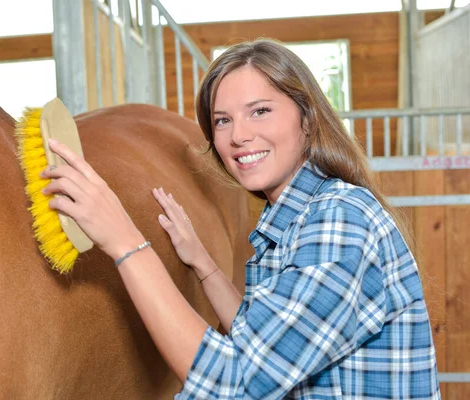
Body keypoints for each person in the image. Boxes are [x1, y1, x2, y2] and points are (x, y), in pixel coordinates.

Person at [40, 38, 441, 399]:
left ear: (307, 118)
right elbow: (260, 337)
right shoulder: (293, 217)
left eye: (260, 111)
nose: (238, 136)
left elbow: (235, 382)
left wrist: (126, 242)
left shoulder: (338, 222)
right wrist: (203, 264)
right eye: (222, 120)